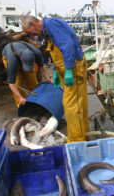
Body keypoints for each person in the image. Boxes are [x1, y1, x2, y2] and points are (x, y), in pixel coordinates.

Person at [22, 15, 89, 143]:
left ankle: (77, 141)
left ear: (33, 25)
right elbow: (55, 52)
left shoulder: (52, 24)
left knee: (73, 107)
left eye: (30, 33)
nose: (32, 37)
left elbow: (68, 46)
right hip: (65, 69)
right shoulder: (46, 32)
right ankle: (82, 136)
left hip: (73, 69)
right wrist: (56, 71)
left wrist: (68, 69)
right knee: (74, 105)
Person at [2, 41, 52, 107]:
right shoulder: (12, 61)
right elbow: (11, 83)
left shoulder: (36, 52)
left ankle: (36, 102)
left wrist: (48, 79)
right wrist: (20, 97)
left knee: (32, 79)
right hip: (8, 56)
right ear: (21, 59)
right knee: (17, 81)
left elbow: (41, 66)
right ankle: (21, 105)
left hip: (21, 53)